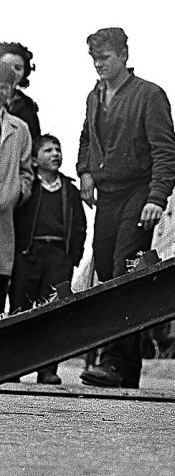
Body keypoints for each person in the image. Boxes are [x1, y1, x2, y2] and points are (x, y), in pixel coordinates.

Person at [77, 27, 175, 389]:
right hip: (107, 194)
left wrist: (156, 197)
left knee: (124, 268)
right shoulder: (95, 97)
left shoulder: (149, 95)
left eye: (104, 58)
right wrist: (85, 172)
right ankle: (128, 370)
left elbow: (166, 151)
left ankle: (114, 362)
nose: (98, 65)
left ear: (123, 55)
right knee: (106, 266)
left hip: (138, 192)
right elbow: (87, 137)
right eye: (94, 59)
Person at [10, 134, 88, 383]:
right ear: (34, 160)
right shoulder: (27, 187)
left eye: (58, 149)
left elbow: (80, 227)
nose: (55, 154)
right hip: (28, 254)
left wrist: (71, 259)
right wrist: (19, 251)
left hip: (57, 257)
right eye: (47, 150)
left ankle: (47, 370)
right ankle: (14, 368)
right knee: (20, 311)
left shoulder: (70, 190)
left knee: (52, 313)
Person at [0, 60, 34, 307]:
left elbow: (26, 171)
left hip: (3, 221)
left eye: (4, 87)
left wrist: (15, 194)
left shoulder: (19, 128)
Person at [0, 43, 41, 143]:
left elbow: (34, 140)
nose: (11, 72)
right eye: (6, 65)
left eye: (17, 68)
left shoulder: (29, 105)